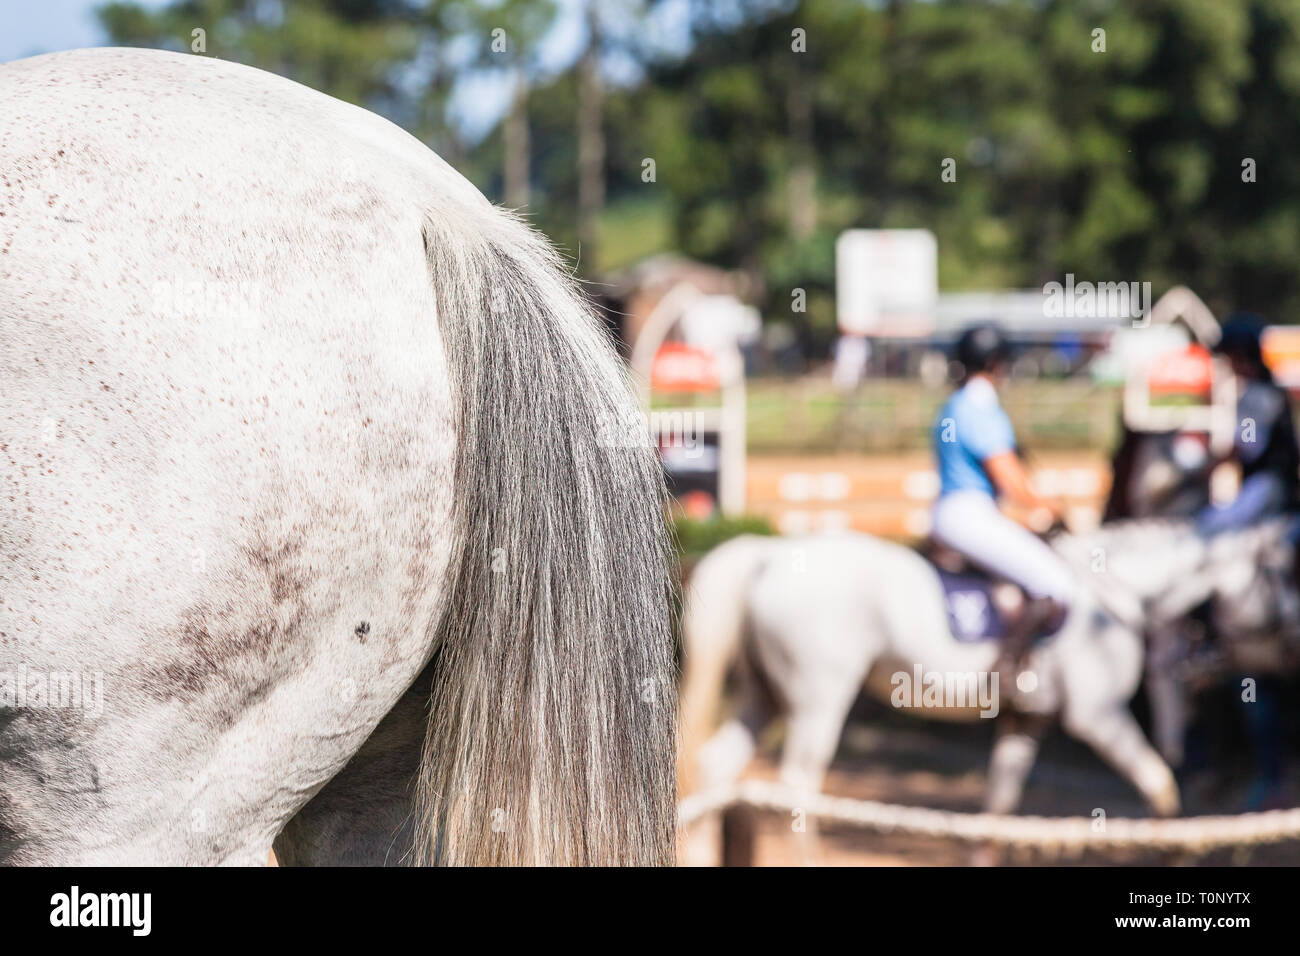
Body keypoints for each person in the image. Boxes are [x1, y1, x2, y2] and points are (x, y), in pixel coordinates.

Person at [931, 323, 1074, 676]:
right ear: (996, 362)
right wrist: (1053, 509)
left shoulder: (955, 403)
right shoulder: (980, 405)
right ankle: (1009, 672)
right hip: (970, 514)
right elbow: (1011, 480)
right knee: (1056, 584)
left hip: (953, 512)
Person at [1196, 313, 1300, 535]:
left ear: (1242, 355)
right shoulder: (1264, 391)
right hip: (1268, 483)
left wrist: (1210, 465)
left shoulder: (1258, 396)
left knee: (1208, 529)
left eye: (1230, 357)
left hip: (1269, 485)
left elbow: (1248, 443)